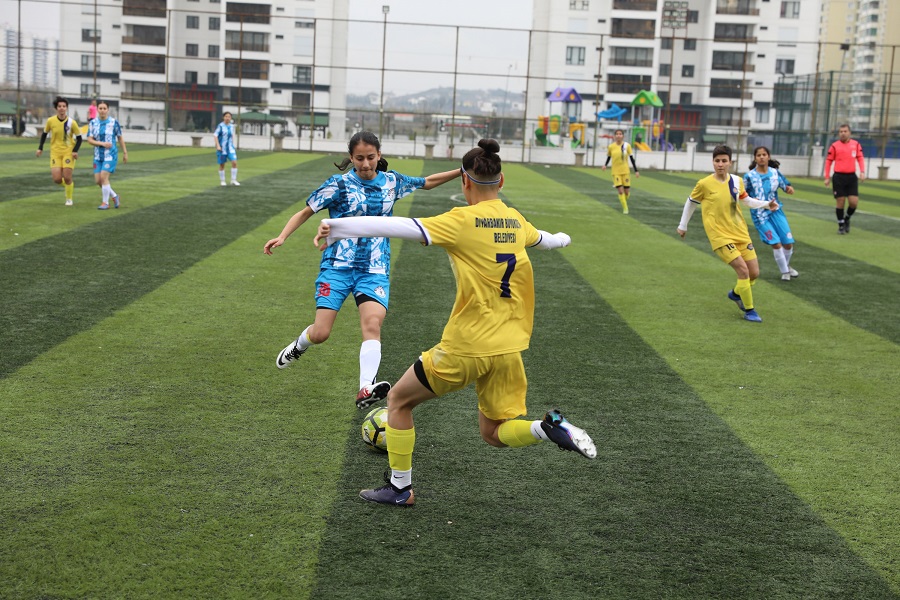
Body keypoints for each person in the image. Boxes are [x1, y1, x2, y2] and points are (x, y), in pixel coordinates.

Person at [314, 139, 597, 507]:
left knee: (398, 401)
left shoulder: (461, 220)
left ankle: (400, 489)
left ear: (464, 182)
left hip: (466, 346)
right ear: (502, 180)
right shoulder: (515, 220)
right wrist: (564, 238)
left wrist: (336, 226)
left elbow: (398, 226)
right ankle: (546, 428)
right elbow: (547, 240)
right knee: (494, 433)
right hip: (510, 348)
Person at [263, 131, 461, 407]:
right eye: (359, 158)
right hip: (337, 268)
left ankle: (365, 388)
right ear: (351, 158)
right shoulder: (339, 184)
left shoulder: (392, 182)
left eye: (370, 157)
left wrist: (462, 170)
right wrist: (282, 236)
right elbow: (306, 211)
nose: (366, 164)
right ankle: (299, 346)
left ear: (379, 155)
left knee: (372, 324)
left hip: (375, 270)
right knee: (321, 333)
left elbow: (427, 182)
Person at [677, 145, 779, 323]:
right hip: (719, 235)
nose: (720, 164)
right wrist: (682, 225)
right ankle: (750, 310)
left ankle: (736, 294)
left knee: (754, 273)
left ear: (730, 162)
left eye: (724, 161)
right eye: (717, 161)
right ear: (713, 162)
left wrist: (765, 204)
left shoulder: (737, 181)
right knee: (743, 270)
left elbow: (745, 200)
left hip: (740, 232)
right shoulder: (704, 184)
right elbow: (691, 202)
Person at [743, 147, 798, 282]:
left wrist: (789, 189)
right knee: (776, 244)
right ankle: (785, 272)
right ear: (755, 158)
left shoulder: (775, 173)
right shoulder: (749, 176)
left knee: (788, 243)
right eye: (758, 155)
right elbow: (743, 193)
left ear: (768, 157)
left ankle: (786, 266)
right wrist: (751, 200)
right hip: (760, 214)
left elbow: (785, 186)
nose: (761, 157)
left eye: (764, 154)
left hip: (776, 211)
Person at [35, 96, 82, 206]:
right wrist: (40, 148)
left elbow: (79, 138)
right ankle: (68, 187)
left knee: (67, 177)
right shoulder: (51, 121)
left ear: (66, 108)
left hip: (68, 152)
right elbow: (44, 134)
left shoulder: (72, 122)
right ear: (56, 108)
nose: (62, 108)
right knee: (56, 179)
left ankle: (69, 199)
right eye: (59, 106)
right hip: (55, 152)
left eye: (64, 106)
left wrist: (75, 150)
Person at [86, 100, 128, 210]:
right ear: (97, 109)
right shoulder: (93, 123)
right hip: (98, 156)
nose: (102, 110)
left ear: (108, 110)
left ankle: (105, 203)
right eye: (100, 108)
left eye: (105, 108)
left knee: (104, 177)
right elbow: (89, 140)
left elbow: (120, 137)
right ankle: (114, 196)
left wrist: (125, 152)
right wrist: (101, 143)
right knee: (99, 181)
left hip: (110, 154)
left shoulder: (114, 122)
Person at [824, 123, 865, 234]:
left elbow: (860, 158)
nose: (843, 133)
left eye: (845, 131)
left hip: (851, 177)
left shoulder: (856, 145)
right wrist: (827, 177)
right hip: (838, 177)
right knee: (840, 201)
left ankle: (847, 218)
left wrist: (862, 171)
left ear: (849, 133)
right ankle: (841, 226)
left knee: (853, 202)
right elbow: (828, 161)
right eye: (841, 132)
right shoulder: (834, 146)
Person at [601, 128, 639, 214]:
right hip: (616, 172)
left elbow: (631, 158)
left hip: (625, 171)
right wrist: (605, 165)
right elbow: (609, 157)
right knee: (620, 191)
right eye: (617, 134)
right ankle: (625, 209)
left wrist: (636, 170)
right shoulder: (611, 146)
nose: (618, 135)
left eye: (620, 134)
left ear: (623, 136)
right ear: (614, 136)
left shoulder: (627, 146)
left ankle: (623, 202)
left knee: (627, 192)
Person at [214, 112, 239, 186]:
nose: (227, 118)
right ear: (223, 117)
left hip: (230, 148)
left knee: (234, 162)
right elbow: (215, 136)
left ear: (231, 118)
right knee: (222, 165)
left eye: (229, 117)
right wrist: (218, 146)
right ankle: (222, 181)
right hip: (222, 148)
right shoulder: (220, 126)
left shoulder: (232, 126)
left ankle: (233, 180)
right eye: (226, 116)